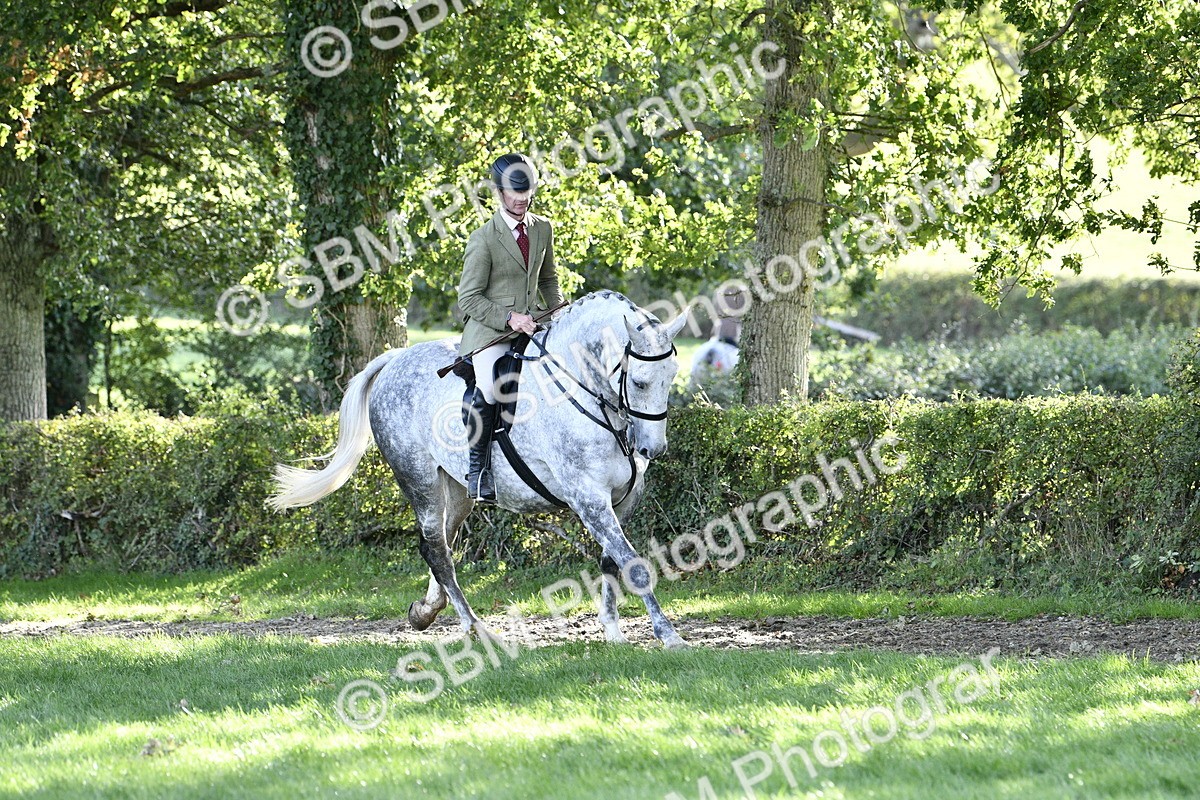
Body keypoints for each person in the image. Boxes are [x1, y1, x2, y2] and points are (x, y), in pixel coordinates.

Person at [456, 153, 565, 503]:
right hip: (492, 332)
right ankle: (479, 471)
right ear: (499, 192)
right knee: (490, 388)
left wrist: (558, 312)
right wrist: (509, 318)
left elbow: (548, 280)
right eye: (515, 192)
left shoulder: (543, 228)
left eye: (527, 191)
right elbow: (468, 298)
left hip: (533, 324)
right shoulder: (483, 238)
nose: (522, 198)